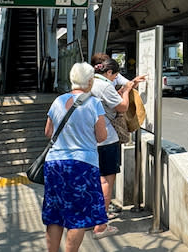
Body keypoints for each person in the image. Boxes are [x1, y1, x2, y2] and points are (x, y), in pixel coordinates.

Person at [42, 62, 113, 250]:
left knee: (55, 215)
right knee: (78, 217)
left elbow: (48, 132)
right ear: (89, 82)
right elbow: (101, 136)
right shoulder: (93, 103)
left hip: (54, 164)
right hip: (82, 165)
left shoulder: (57, 101)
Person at [88, 53, 145, 232]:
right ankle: (101, 225)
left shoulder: (88, 83)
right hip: (107, 139)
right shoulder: (104, 86)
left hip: (89, 139)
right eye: (114, 76)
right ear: (109, 72)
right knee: (106, 181)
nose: (115, 79)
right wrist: (126, 91)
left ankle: (91, 219)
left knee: (93, 180)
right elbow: (122, 107)